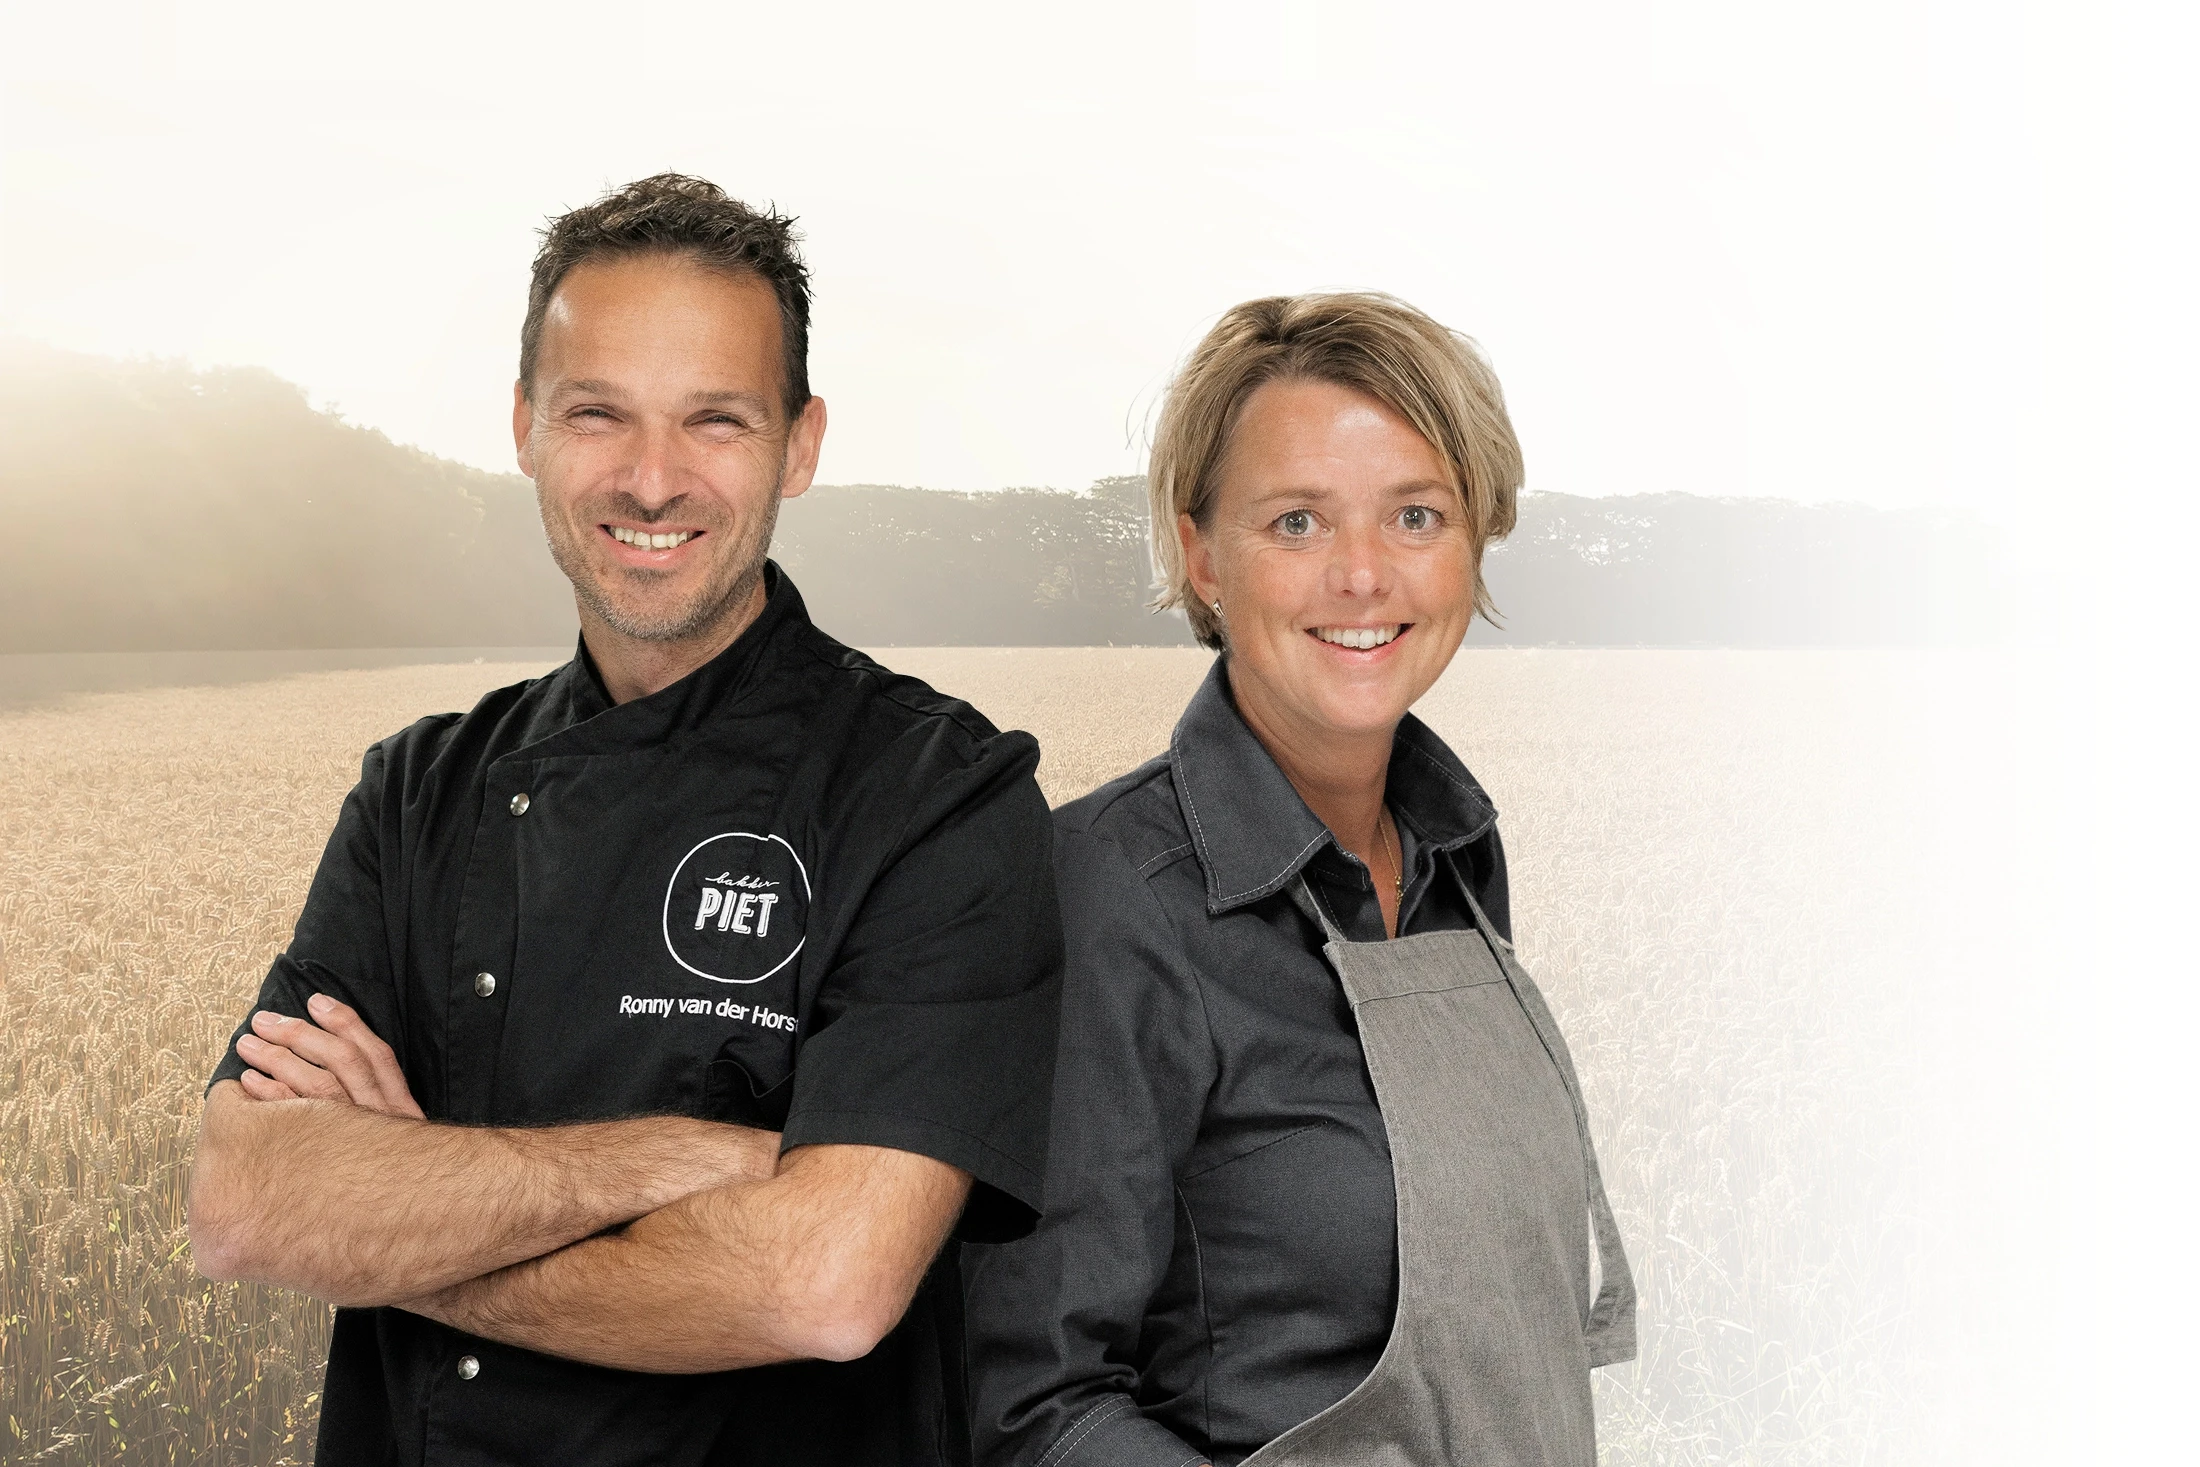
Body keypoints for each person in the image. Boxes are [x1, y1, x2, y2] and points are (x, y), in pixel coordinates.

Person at [186, 174, 1063, 1467]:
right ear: (526, 428)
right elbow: (244, 1195)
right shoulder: (417, 789)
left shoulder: (936, 794)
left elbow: (822, 1283)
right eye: (598, 413)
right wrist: (676, 1163)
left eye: (716, 419)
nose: (653, 481)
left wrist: (400, 1224)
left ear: (800, 444)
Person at [962, 293, 1637, 1466]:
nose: (1363, 575)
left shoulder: (1456, 860)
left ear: (1473, 544)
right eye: (1296, 523)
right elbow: (1035, 1411)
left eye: (1415, 515)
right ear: (1201, 558)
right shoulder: (1109, 896)